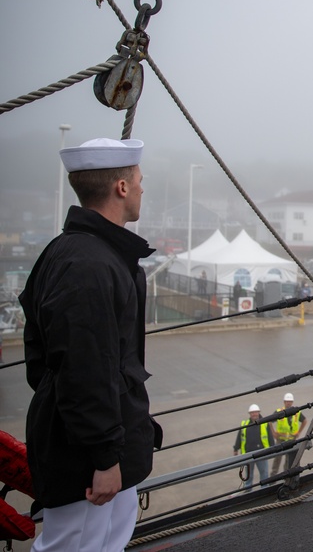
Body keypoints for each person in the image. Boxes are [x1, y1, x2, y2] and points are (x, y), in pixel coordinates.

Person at [19, 137, 162, 551]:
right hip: (87, 455)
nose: (141, 188)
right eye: (138, 180)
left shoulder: (85, 254)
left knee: (108, 540)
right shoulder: (88, 266)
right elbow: (83, 370)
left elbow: (40, 359)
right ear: (121, 187)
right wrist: (104, 459)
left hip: (104, 440)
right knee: (74, 545)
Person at [233, 404, 274, 491]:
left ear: (259, 412)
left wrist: (273, 449)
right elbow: (240, 437)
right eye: (252, 413)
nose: (254, 414)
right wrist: (236, 448)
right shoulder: (244, 424)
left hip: (262, 454)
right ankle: (248, 491)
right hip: (248, 455)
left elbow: (270, 437)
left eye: (255, 412)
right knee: (249, 475)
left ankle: (264, 490)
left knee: (264, 474)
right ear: (249, 414)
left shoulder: (265, 423)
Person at [270, 392, 307, 476]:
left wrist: (299, 432)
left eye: (290, 401)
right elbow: (269, 421)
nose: (288, 403)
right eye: (287, 401)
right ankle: (273, 476)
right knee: (277, 459)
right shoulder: (279, 412)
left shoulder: (297, 412)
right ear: (284, 402)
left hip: (291, 440)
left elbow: (304, 421)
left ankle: (286, 475)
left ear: (292, 402)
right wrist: (273, 433)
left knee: (289, 460)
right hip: (281, 439)